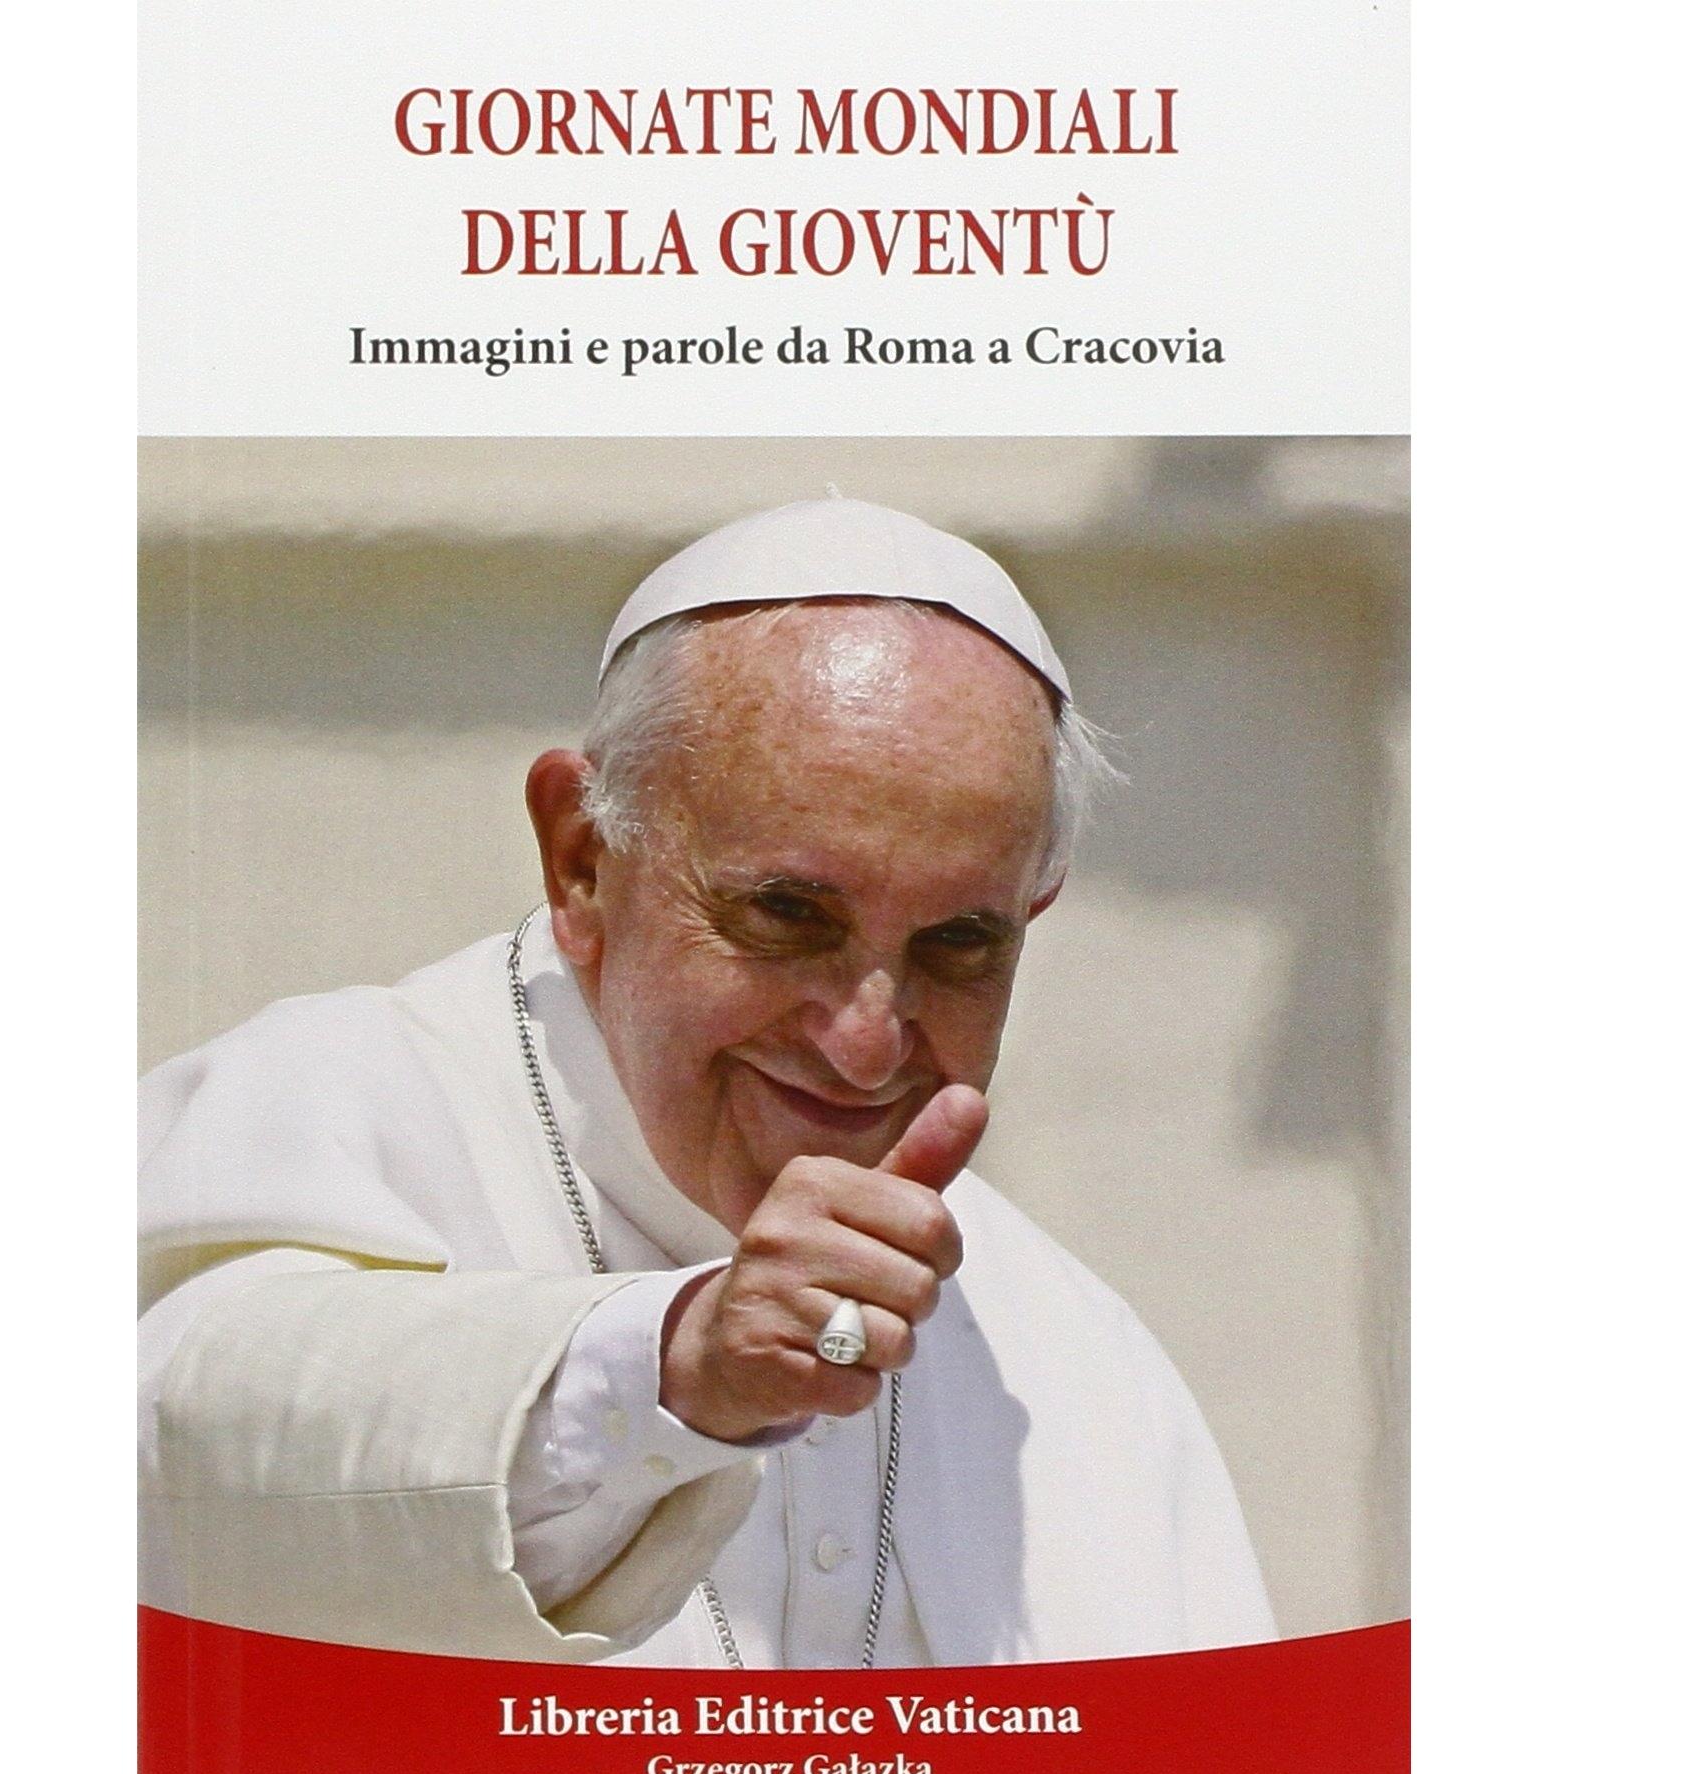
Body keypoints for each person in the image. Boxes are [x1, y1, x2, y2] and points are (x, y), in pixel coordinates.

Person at [138, 496, 1276, 1668]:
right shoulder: (326, 1106)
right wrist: (673, 1365)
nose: (865, 1044)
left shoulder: (1068, 1349)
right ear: (584, 860)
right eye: (786, 914)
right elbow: (181, 1452)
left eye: (958, 944)